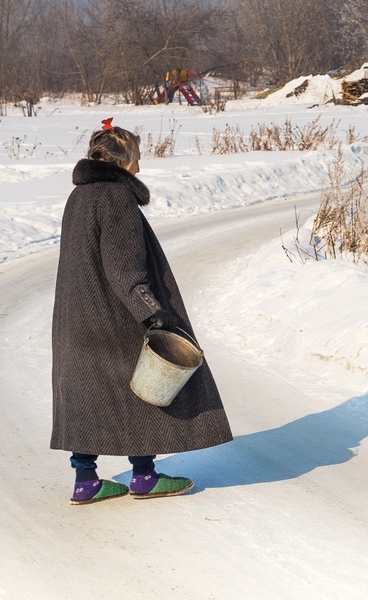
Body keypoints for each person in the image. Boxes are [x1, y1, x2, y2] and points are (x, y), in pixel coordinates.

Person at [51, 118, 233, 505]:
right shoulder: (117, 198)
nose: (140, 166)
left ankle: (86, 482)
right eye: (137, 156)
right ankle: (145, 476)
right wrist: (152, 311)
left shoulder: (78, 196)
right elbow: (124, 269)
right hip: (116, 316)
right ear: (122, 160)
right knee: (142, 392)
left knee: (88, 396)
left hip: (78, 316)